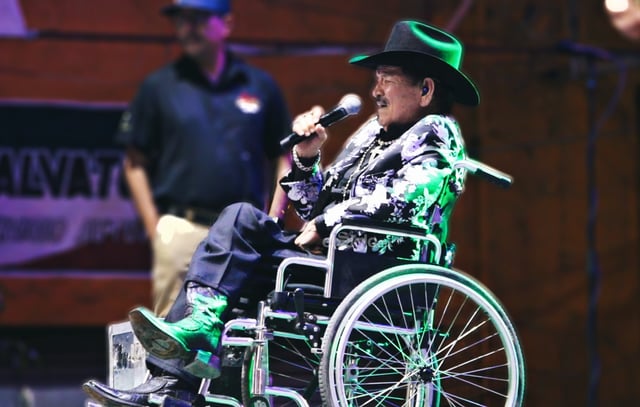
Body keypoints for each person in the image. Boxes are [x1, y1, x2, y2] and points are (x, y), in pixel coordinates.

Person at [83, 19, 480, 406]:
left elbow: (404, 200)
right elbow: (315, 207)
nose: (375, 88)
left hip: (368, 270)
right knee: (241, 221)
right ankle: (179, 373)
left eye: (387, 77)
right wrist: (307, 159)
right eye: (376, 76)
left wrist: (327, 222)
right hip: (334, 260)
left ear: (426, 89)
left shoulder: (436, 136)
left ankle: (177, 376)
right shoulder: (372, 135)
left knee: (240, 237)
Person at [118, 0, 292, 318]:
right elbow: (134, 162)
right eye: (181, 20)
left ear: (226, 24)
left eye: (198, 18)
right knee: (169, 339)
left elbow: (284, 156)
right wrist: (155, 229)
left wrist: (273, 222)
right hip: (182, 228)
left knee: (240, 334)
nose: (188, 28)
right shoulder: (159, 87)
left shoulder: (259, 86)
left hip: (242, 239)